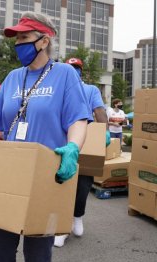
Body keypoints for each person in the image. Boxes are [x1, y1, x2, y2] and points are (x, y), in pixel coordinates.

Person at [0, 12, 89, 262]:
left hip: (45, 178)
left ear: (44, 40)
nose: (18, 43)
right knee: (0, 250)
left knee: (38, 255)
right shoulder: (12, 78)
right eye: (16, 38)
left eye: (24, 37)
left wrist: (73, 148)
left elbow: (78, 118)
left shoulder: (64, 74)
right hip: (8, 176)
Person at [53, 58, 109, 248]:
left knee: (83, 184)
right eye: (70, 68)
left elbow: (99, 112)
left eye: (77, 68)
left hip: (86, 140)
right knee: (61, 183)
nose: (74, 71)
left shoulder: (90, 89)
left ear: (81, 71)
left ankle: (77, 216)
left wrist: (104, 133)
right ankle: (62, 227)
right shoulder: (60, 87)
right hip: (62, 136)